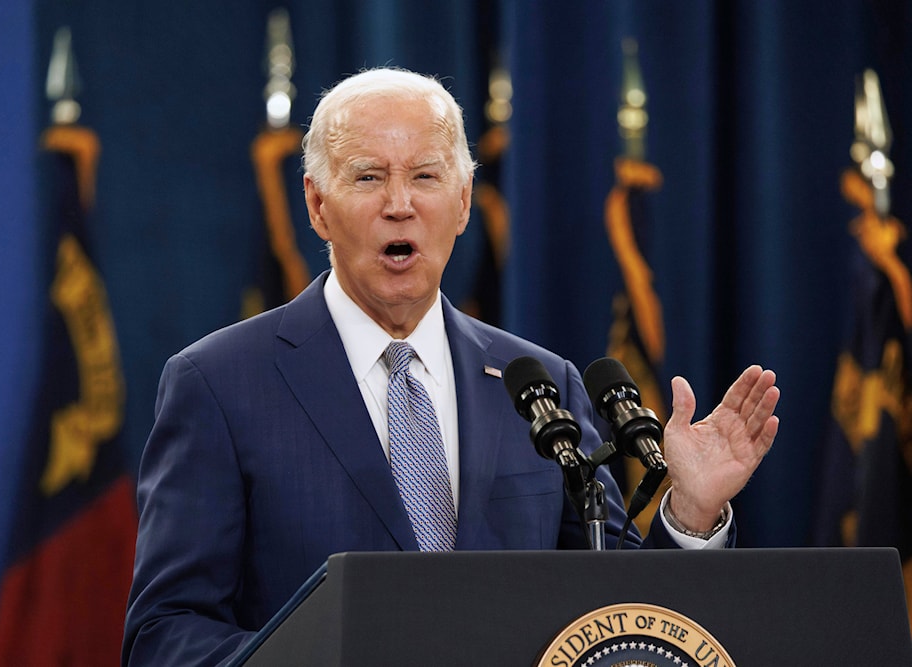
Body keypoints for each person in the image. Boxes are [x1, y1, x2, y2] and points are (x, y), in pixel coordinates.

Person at [121, 67, 780, 666]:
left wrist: (689, 512)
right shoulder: (218, 384)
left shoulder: (541, 383)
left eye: (426, 175)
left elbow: (620, 626)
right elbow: (165, 633)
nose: (400, 203)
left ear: (463, 201)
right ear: (318, 205)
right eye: (368, 176)